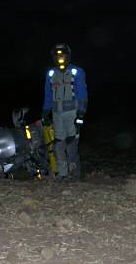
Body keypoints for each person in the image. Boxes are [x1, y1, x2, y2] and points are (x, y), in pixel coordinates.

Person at [42, 43, 88, 179]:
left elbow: (82, 94)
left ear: (68, 55)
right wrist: (45, 112)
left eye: (62, 55)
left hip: (72, 113)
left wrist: (81, 113)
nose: (60, 58)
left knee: (72, 144)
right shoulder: (51, 74)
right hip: (57, 114)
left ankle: (74, 175)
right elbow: (48, 94)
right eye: (57, 55)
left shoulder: (77, 72)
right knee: (58, 145)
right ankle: (63, 174)